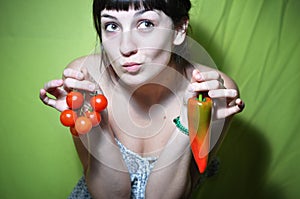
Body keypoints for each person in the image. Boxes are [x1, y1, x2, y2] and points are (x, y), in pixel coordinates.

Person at [39, 0, 244, 198]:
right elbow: (110, 196)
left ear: (179, 30)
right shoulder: (84, 78)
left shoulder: (213, 92)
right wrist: (93, 122)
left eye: (146, 24)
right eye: (112, 26)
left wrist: (187, 120)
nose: (126, 47)